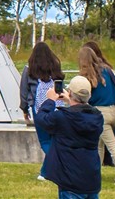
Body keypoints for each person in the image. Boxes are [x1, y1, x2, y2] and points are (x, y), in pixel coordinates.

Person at [79, 40, 115, 186]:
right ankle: (95, 175)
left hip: (100, 115)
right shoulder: (107, 70)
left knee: (113, 147)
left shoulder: (88, 76)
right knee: (99, 144)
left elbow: (84, 97)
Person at [37, 74, 106, 199]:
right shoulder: (97, 117)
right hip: (91, 178)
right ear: (89, 95)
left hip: (70, 179)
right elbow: (81, 115)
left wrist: (50, 100)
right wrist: (70, 102)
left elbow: (42, 119)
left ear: (69, 92)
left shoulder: (62, 117)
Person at [26, 42, 67, 178]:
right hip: (57, 105)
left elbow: (24, 91)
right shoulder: (55, 68)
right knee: (55, 139)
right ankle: (45, 172)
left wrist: (24, 108)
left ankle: (58, 166)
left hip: (39, 107)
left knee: (44, 140)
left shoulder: (29, 69)